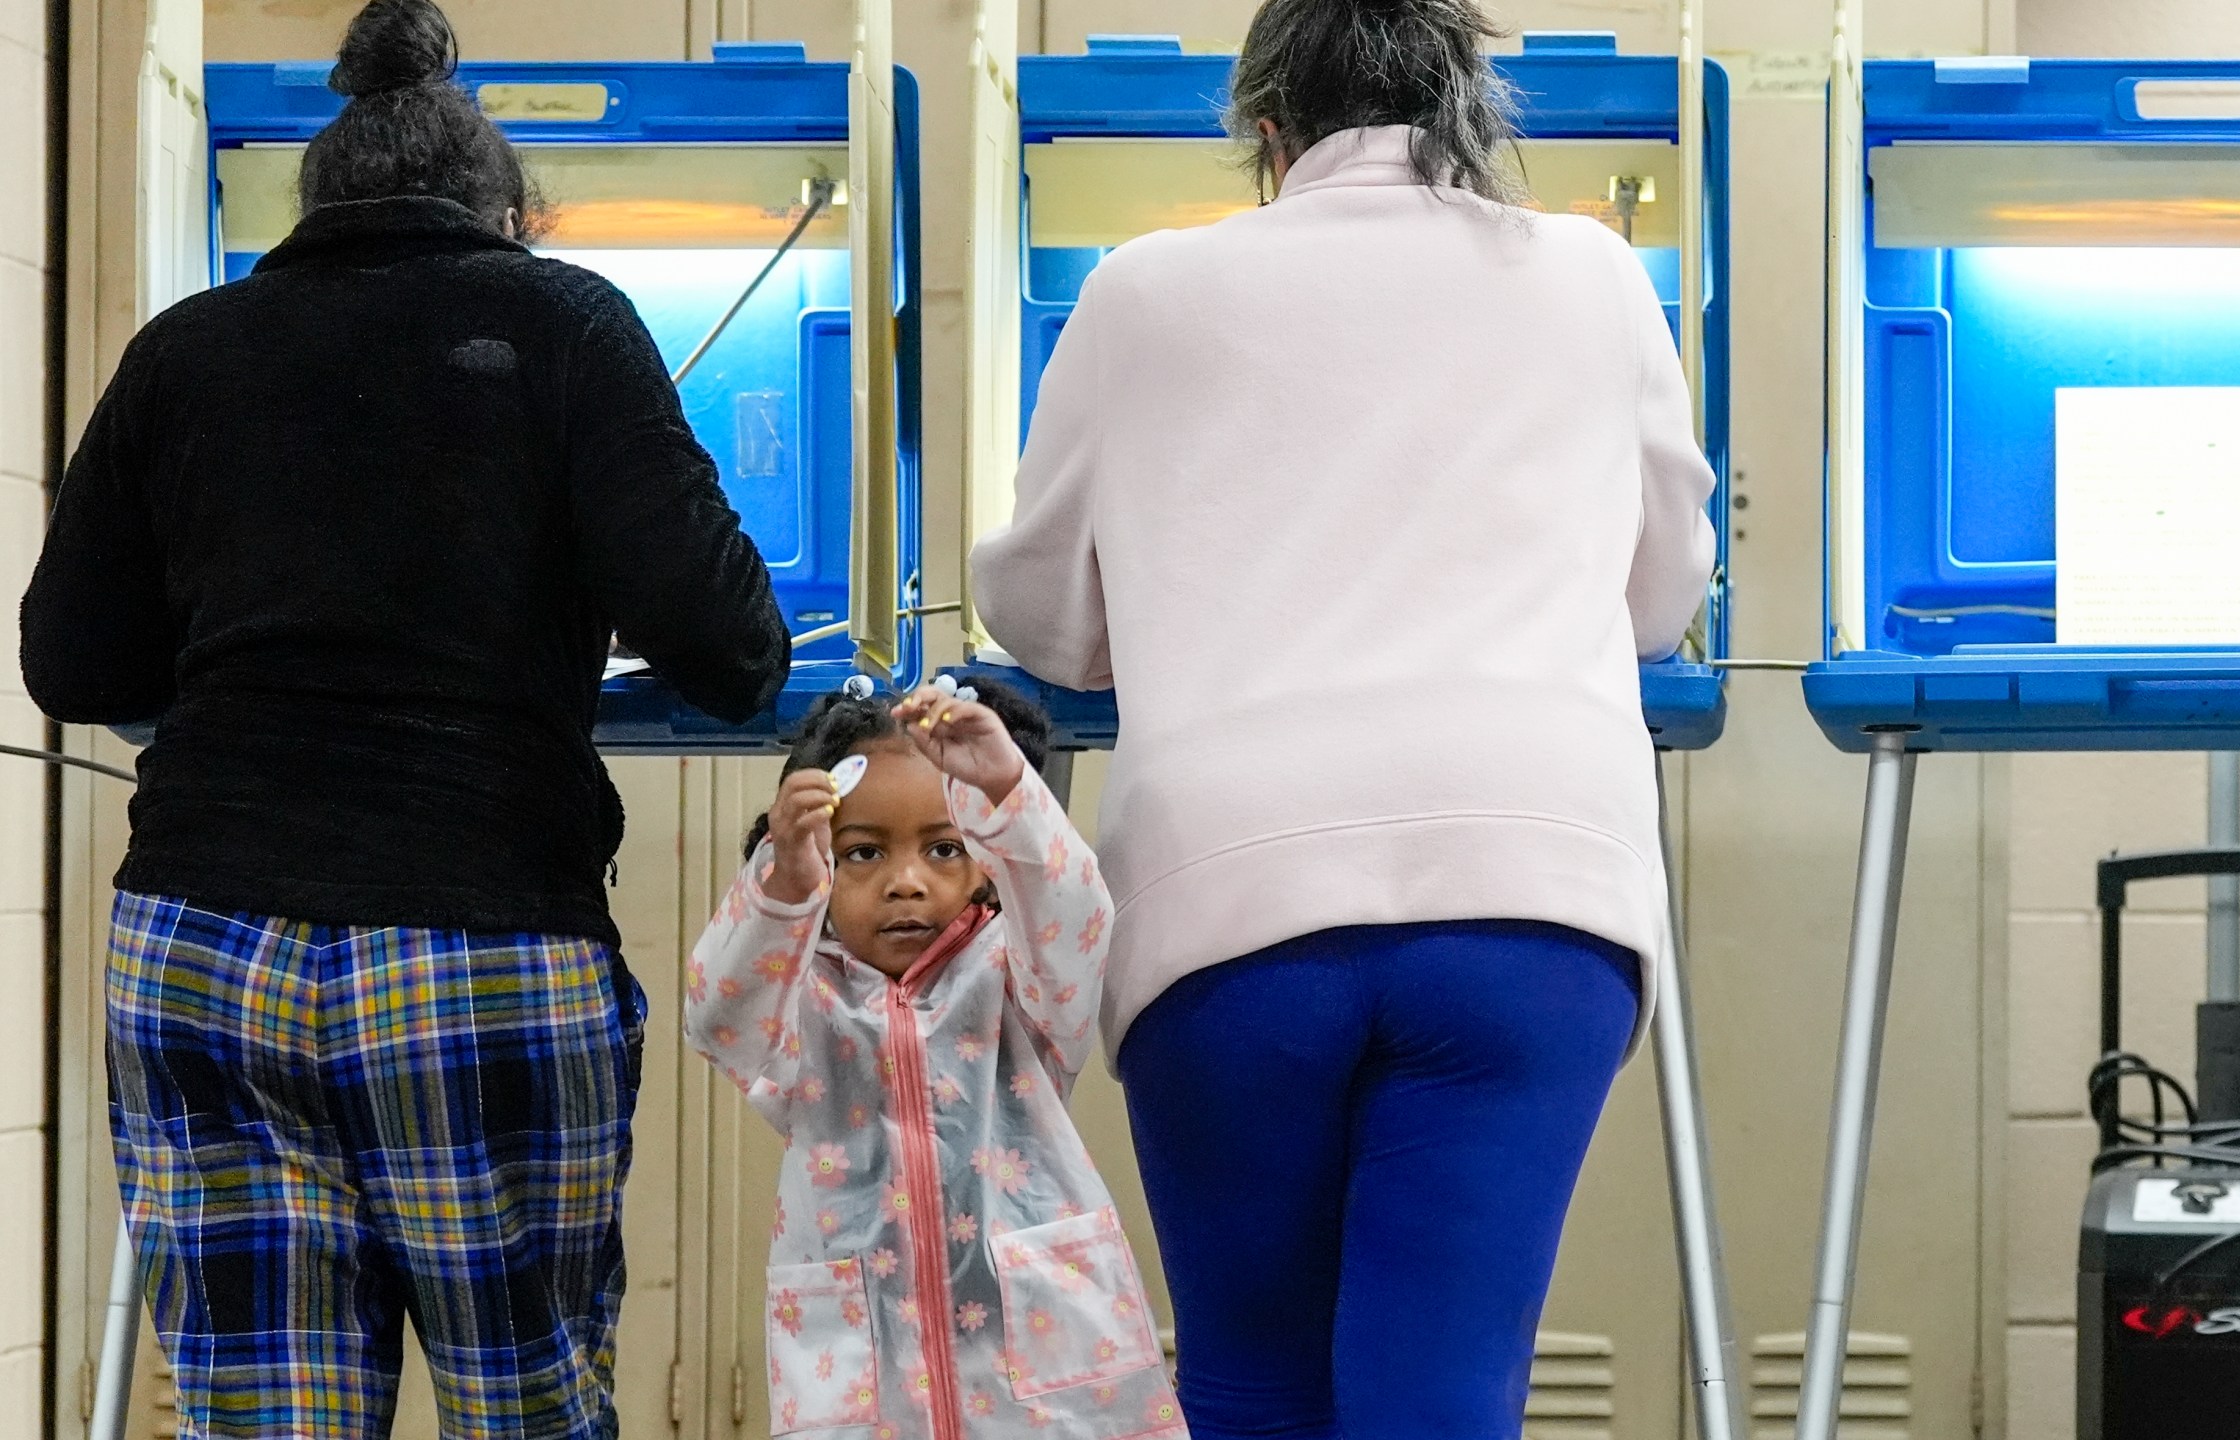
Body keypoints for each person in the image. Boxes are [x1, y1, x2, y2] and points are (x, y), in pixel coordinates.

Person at [19, 1, 788, 1434]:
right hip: (475, 932)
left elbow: (69, 662)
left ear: (308, 207)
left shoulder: (187, 348)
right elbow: (731, 643)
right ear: (510, 213)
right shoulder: (562, 321)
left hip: (198, 943)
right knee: (522, 1401)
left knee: (265, 1412)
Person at [966, 0, 1721, 1433]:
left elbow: (1046, 618)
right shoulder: (1592, 272)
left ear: (1267, 130)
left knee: (1253, 1375)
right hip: (1528, 889)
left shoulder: (1141, 289)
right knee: (1440, 1390)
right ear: (1469, 112)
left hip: (1230, 896)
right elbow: (1662, 595)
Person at [686, 682, 1183, 1440]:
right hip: (868, 1371)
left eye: (943, 847)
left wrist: (1010, 791)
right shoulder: (798, 998)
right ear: (824, 863)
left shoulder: (1019, 980)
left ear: (984, 860)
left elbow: (1076, 908)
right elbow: (717, 1018)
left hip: (1043, 1373)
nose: (907, 878)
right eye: (863, 852)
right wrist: (779, 884)